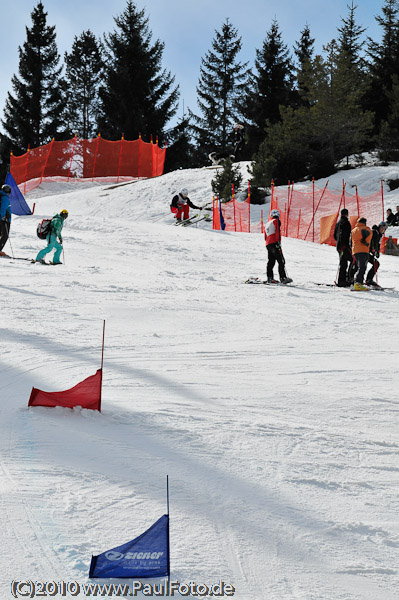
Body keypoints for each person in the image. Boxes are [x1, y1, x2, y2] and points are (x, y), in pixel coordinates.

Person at [265, 209, 292, 284]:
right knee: (281, 260)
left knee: (271, 261)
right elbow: (277, 232)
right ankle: (283, 278)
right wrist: (278, 242)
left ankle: (270, 278)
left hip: (268, 244)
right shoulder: (276, 221)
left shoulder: (267, 223)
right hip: (274, 243)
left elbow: (265, 236)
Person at [351, 217, 372, 291]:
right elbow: (369, 235)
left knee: (360, 267)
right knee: (362, 267)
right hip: (363, 250)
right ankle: (358, 283)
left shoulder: (353, 230)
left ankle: (357, 282)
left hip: (355, 251)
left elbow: (350, 241)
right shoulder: (365, 229)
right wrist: (365, 242)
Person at [333, 208, 353, 287]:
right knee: (352, 260)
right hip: (343, 246)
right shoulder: (346, 223)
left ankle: (342, 280)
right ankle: (347, 279)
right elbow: (343, 234)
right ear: (347, 214)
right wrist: (344, 245)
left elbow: (335, 235)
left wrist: (339, 242)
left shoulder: (338, 223)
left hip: (339, 246)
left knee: (343, 263)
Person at [365, 221, 388, 287]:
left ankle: (369, 279)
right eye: (382, 228)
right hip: (365, 251)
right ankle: (354, 279)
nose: (382, 230)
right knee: (363, 265)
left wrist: (377, 252)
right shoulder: (374, 232)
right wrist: (373, 250)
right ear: (379, 227)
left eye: (384, 229)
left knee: (376, 264)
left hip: (369, 252)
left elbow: (377, 245)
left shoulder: (379, 235)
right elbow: (371, 242)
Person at [0, 184, 12, 255]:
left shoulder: (1, 196)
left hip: (2, 219)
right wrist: (3, 217)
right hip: (5, 220)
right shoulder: (5, 198)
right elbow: (3, 208)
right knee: (5, 235)